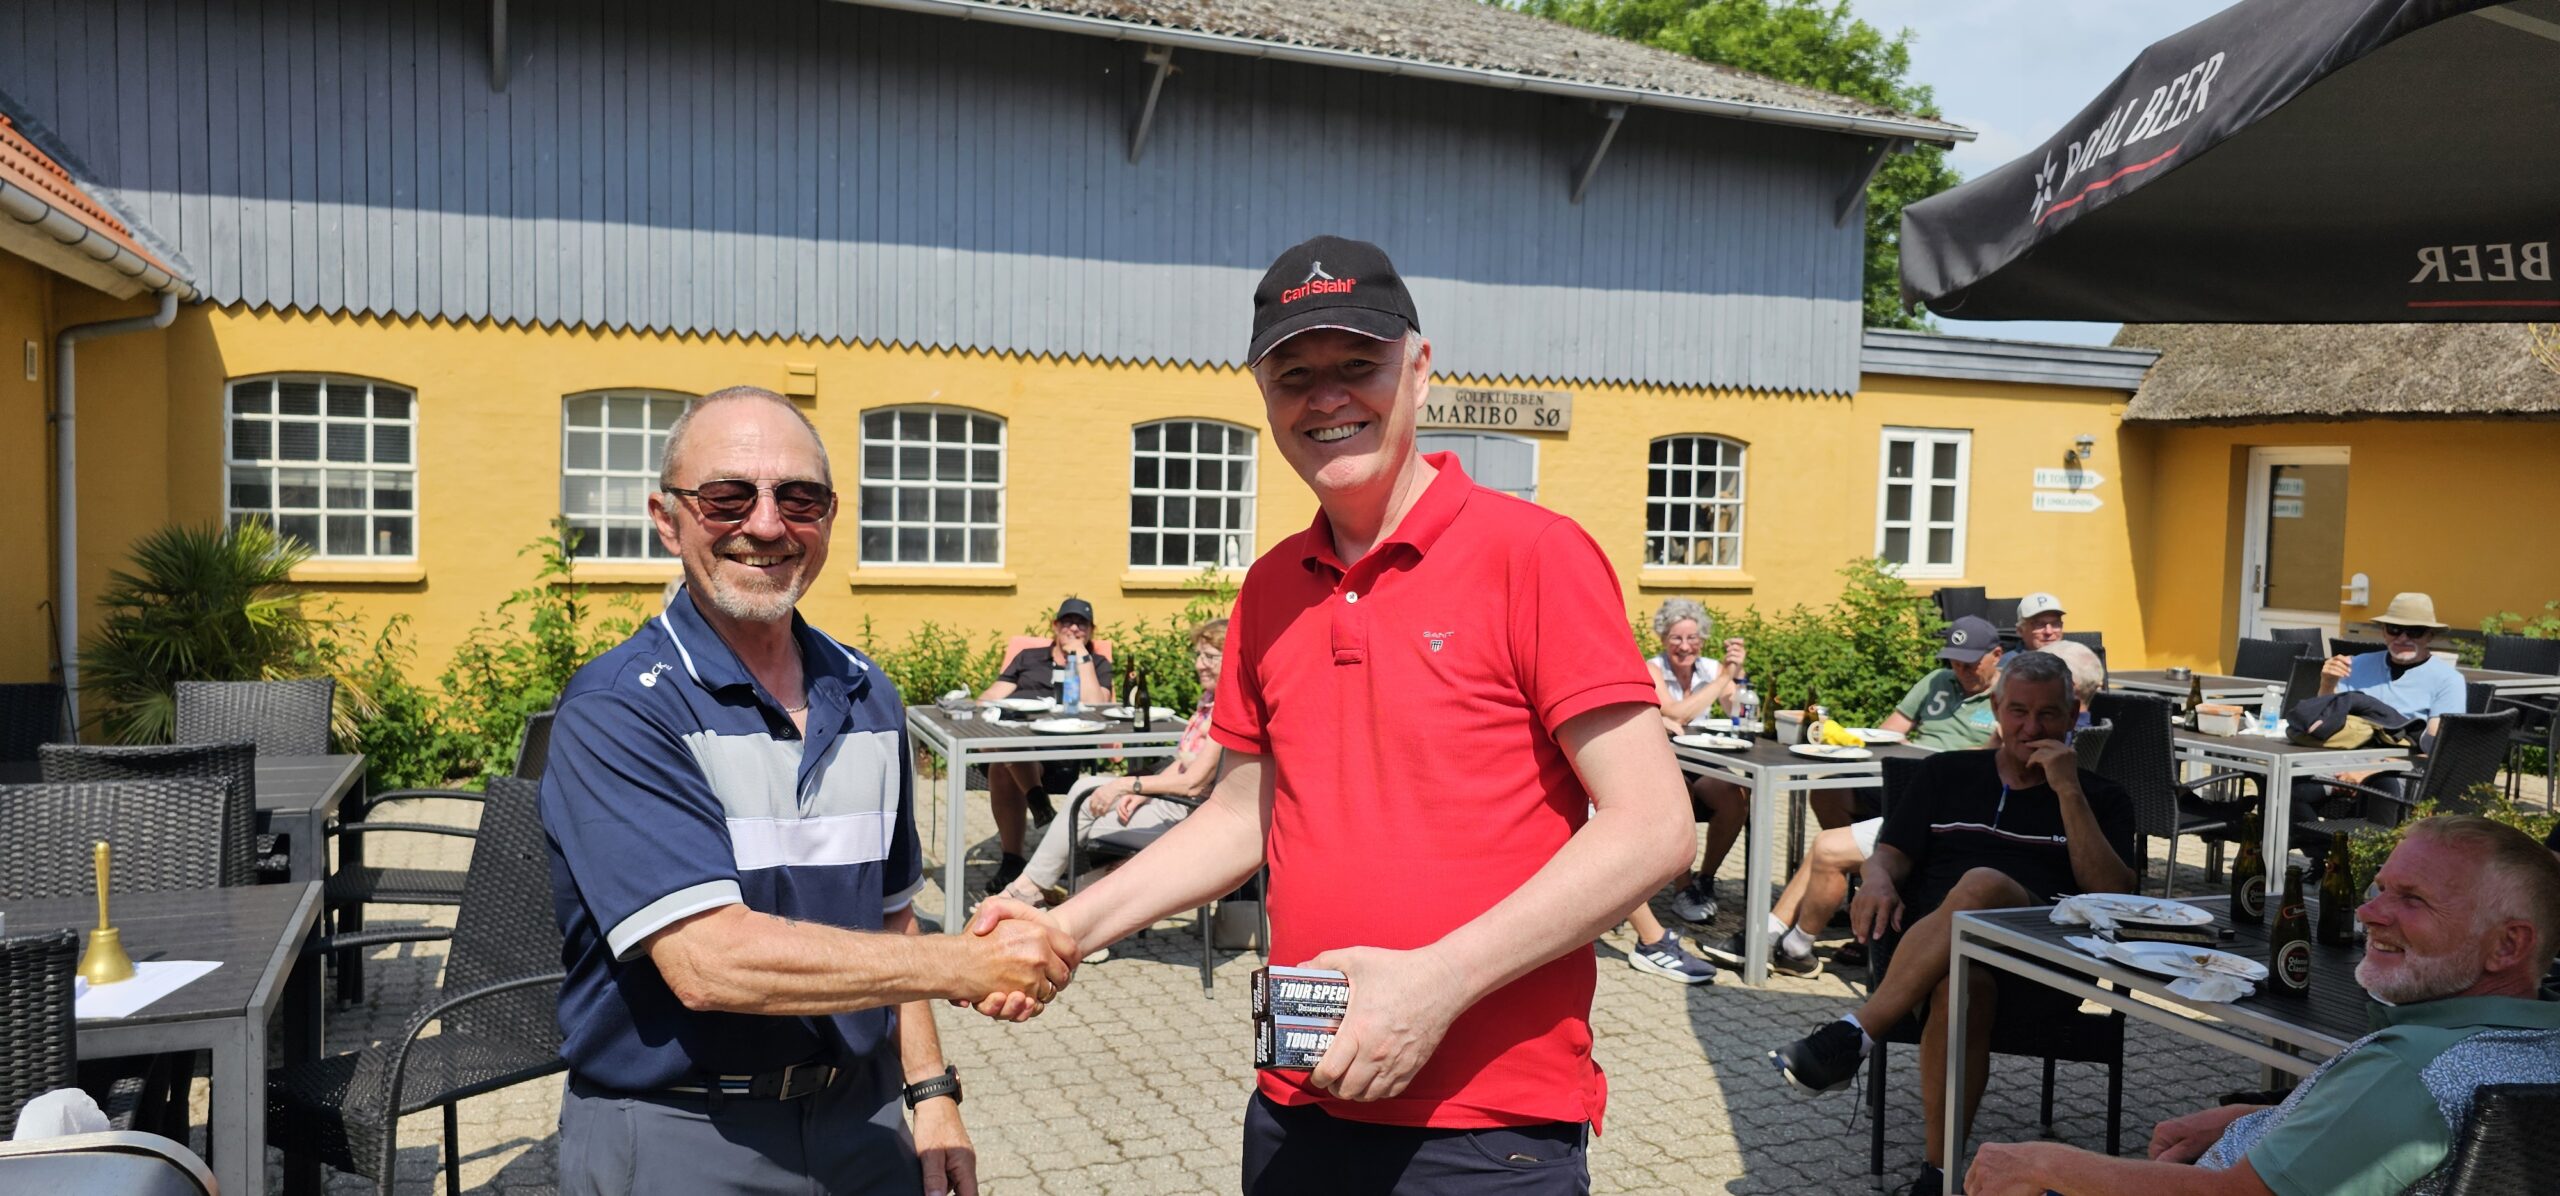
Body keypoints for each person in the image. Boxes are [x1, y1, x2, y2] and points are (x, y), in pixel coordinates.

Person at [972, 235, 1694, 1194]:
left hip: (1485, 1125)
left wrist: (1436, 984)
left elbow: (1653, 827)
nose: (1327, 398)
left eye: (1359, 365)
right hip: (1299, 1092)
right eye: (1295, 375)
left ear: (1420, 369)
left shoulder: (1534, 555)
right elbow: (1241, 818)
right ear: (1265, 395)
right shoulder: (1272, 587)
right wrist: (1066, 926)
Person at [538, 387, 1077, 1196]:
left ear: (828, 517)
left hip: (861, 1120)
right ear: (667, 519)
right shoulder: (621, 707)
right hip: (683, 1133)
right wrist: (965, 964)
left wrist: (931, 1093)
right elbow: (709, 962)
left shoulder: (866, 693)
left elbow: (892, 913)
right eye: (726, 497)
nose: (766, 526)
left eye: (799, 499)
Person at [1964, 815, 2560, 1196]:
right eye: (2379, 889)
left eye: (2413, 900)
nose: (2368, 913)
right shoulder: (2534, 1048)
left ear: (2508, 945)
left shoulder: (2410, 1070)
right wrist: (2264, 1118)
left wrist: (2043, 1164)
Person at [1766, 651, 2138, 1196]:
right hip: (1933, 963)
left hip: (2045, 969)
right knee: (1958, 987)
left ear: (2073, 716)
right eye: (2018, 711)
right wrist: (1877, 879)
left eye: (2048, 714)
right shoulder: (1946, 773)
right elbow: (1889, 853)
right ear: (1996, 710)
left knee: (1982, 884)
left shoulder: (2101, 796)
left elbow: (2114, 897)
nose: (2031, 728)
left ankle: (1855, 1033)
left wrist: (2068, 792)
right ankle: (1939, 1180)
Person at [1699, 639, 2108, 979]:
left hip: (1952, 814)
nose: (1961, 668)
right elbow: (1890, 732)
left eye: (1971, 661)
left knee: (1828, 848)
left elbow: (1987, 769)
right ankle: (1796, 933)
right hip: (1922, 790)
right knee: (1827, 797)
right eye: (1955, 660)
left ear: (1996, 658)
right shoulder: (1939, 685)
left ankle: (1787, 941)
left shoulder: (2014, 715)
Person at [996, 619, 1227, 917]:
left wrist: (1130, 785)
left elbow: (1193, 782)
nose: (1199, 664)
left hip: (1191, 814)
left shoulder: (1227, 712)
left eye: (1210, 657)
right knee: (1085, 790)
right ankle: (1043, 894)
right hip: (1172, 801)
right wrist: (1141, 793)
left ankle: (1039, 895)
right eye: (1198, 655)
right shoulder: (1209, 700)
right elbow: (1182, 763)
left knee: (1078, 824)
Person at [2295, 592, 2468, 832]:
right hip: (2345, 759)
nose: (2403, 638)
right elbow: (2324, 721)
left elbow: (2438, 749)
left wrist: (2375, 769)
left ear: (2430, 635)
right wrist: (2328, 683)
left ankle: (2377, 853)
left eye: (2415, 631)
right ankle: (2326, 852)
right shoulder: (2357, 665)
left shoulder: (2448, 680)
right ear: (2384, 632)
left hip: (2403, 770)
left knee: (2383, 784)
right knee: (2288, 785)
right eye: (2395, 629)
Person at [975, 597, 1115, 893]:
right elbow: (989, 698)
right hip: (1015, 740)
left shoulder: (1097, 663)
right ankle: (1036, 804)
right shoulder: (1028, 657)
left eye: (1082, 624)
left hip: (1061, 756)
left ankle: (1014, 858)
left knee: (1001, 765)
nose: (1074, 628)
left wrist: (1081, 656)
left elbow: (1095, 706)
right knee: (1003, 753)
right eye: (1067, 622)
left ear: (1091, 631)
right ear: (1055, 625)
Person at [1651, 597, 1755, 931]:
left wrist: (1737, 674)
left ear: (1703, 639)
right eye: (1676, 638)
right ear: (1663, 639)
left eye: (1692, 638)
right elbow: (1675, 713)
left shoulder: (1712, 669)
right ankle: (1682, 889)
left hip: (1705, 760)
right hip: (1665, 762)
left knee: (1736, 792)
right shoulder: (1652, 669)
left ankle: (1706, 878)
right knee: (1677, 792)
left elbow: (1737, 712)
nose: (1685, 646)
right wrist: (1723, 679)